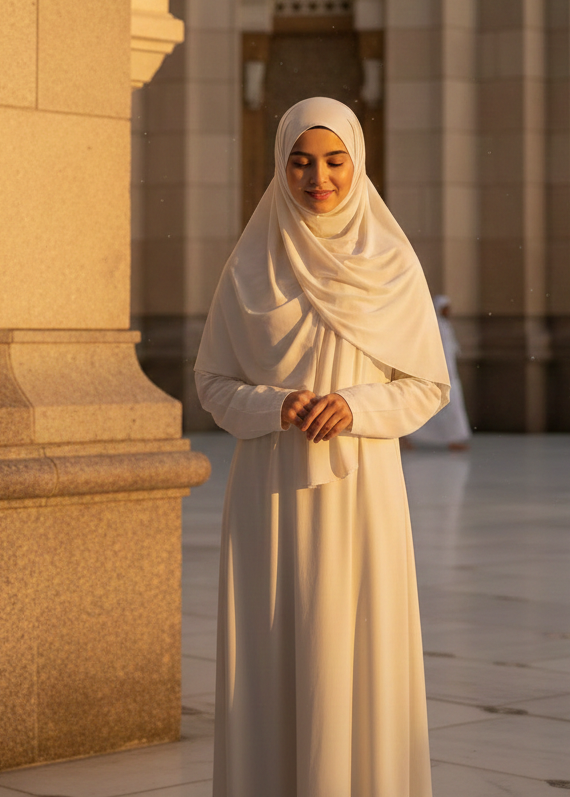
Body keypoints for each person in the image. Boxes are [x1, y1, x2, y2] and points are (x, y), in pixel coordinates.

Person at [195, 97, 449, 797]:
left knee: (355, 653)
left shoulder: (391, 263)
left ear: (357, 162)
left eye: (335, 161)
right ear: (280, 165)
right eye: (301, 162)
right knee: (274, 653)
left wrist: (355, 406)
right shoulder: (252, 263)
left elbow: (426, 385)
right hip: (269, 496)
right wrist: (275, 405)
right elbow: (212, 382)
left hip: (361, 492)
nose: (319, 178)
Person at [404, 295, 471, 450]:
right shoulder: (434, 328)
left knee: (452, 408)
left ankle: (454, 439)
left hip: (451, 376)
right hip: (439, 376)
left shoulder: (446, 327)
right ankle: (413, 435)